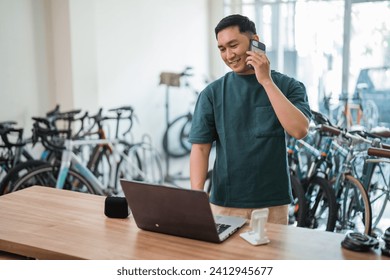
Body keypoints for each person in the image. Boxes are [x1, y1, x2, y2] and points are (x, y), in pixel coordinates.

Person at [188, 14, 311, 224]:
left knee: (271, 258)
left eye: (233, 45)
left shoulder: (289, 86)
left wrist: (266, 81)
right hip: (225, 203)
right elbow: (200, 148)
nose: (229, 55)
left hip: (273, 204)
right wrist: (196, 197)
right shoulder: (212, 94)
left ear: (255, 40)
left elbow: (299, 130)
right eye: (222, 49)